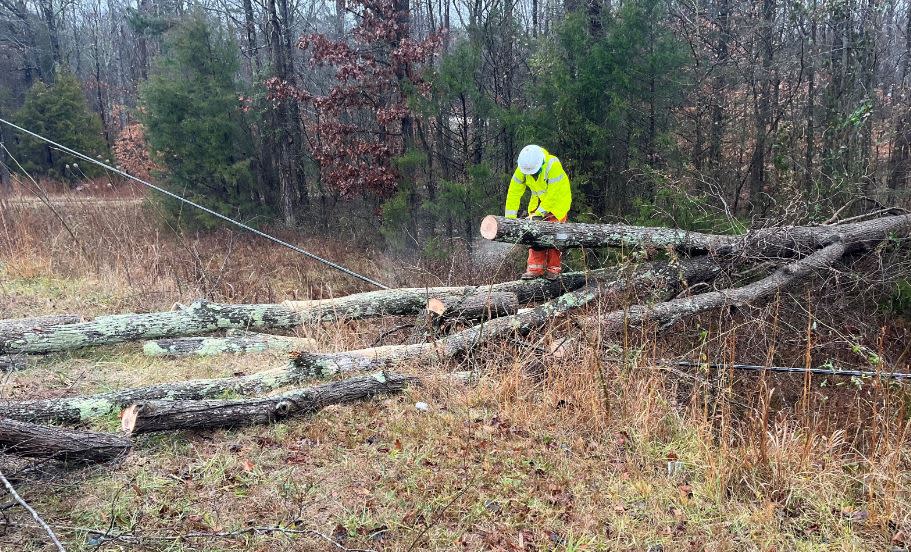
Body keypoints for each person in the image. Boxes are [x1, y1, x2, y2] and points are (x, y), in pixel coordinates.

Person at [504, 144, 572, 280]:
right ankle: (535, 269)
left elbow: (553, 194)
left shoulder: (553, 165)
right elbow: (514, 193)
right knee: (534, 235)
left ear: (540, 164)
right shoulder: (524, 168)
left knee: (554, 235)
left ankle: (553, 269)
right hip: (539, 200)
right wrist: (509, 218)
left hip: (558, 202)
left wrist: (540, 213)